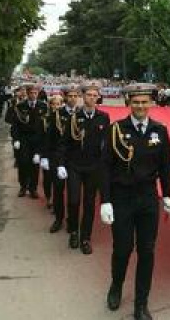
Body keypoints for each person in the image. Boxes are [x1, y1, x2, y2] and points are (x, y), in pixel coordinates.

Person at [100, 83, 170, 320]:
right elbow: (106, 168)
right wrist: (106, 201)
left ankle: (141, 303)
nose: (140, 106)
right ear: (128, 104)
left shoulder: (159, 131)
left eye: (144, 102)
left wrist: (168, 194)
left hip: (148, 199)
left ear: (150, 103)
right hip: (122, 198)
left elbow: (166, 167)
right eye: (136, 102)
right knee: (122, 249)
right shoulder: (115, 130)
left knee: (147, 251)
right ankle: (116, 286)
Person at [58, 82, 110, 254]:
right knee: (73, 200)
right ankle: (73, 231)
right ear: (83, 96)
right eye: (89, 95)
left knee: (89, 204)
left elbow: (105, 144)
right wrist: (60, 164)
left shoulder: (103, 117)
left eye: (95, 95)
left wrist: (104, 166)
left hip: (93, 167)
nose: (92, 98)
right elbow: (64, 143)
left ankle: (85, 237)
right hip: (74, 165)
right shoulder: (74, 117)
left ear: (98, 97)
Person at [47, 85, 80, 233]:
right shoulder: (56, 114)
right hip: (57, 157)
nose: (73, 99)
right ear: (65, 97)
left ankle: (72, 221)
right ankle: (59, 219)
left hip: (74, 159)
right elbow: (49, 137)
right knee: (58, 190)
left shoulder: (81, 113)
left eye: (75, 96)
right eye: (70, 96)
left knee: (74, 194)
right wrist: (45, 156)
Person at [11, 83, 48, 198]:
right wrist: (16, 139)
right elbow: (15, 125)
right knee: (23, 163)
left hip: (37, 140)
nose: (33, 95)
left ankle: (33, 188)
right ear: (27, 93)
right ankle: (23, 186)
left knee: (35, 165)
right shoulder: (20, 106)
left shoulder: (43, 106)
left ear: (38, 93)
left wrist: (44, 143)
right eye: (31, 93)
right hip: (24, 139)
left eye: (35, 93)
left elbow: (45, 125)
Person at [40, 94, 63, 212]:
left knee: (57, 180)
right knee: (48, 178)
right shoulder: (45, 118)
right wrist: (41, 155)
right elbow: (42, 137)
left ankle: (55, 201)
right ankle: (48, 197)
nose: (56, 106)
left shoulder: (64, 118)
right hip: (47, 151)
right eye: (54, 104)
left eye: (58, 104)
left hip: (58, 152)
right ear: (50, 105)